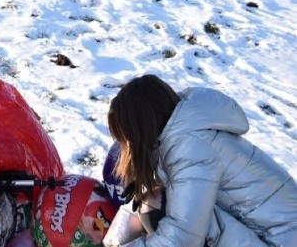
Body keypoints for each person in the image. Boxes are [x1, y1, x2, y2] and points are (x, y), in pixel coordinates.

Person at [106, 74, 297, 246]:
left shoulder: (190, 147)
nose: (128, 145)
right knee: (157, 200)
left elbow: (182, 237)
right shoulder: (186, 133)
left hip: (281, 241)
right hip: (274, 234)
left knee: (158, 206)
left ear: (141, 126)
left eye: (128, 136)